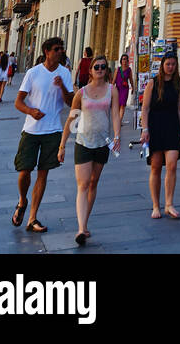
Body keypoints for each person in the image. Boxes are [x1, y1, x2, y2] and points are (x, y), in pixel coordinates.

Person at [58, 54, 121, 247]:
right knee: (83, 184)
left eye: (103, 67)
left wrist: (117, 136)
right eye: (96, 67)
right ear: (90, 70)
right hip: (83, 142)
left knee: (93, 183)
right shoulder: (81, 93)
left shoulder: (112, 90)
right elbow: (71, 119)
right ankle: (80, 228)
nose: (100, 69)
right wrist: (62, 145)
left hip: (102, 143)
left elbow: (115, 114)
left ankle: (85, 223)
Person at [12, 36, 74, 233]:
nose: (60, 52)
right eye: (56, 49)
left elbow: (71, 102)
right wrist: (31, 111)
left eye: (61, 49)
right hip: (31, 129)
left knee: (43, 173)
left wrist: (62, 86)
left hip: (53, 130)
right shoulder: (33, 73)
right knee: (24, 171)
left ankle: (32, 218)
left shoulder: (65, 73)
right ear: (47, 51)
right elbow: (18, 101)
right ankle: (22, 201)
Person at [140, 53, 180, 220]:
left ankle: (169, 204)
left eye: (173, 64)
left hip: (172, 126)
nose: (170, 67)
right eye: (168, 64)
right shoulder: (153, 83)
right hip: (155, 127)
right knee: (156, 167)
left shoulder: (178, 83)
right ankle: (156, 205)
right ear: (162, 65)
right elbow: (145, 108)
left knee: (172, 165)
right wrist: (145, 129)